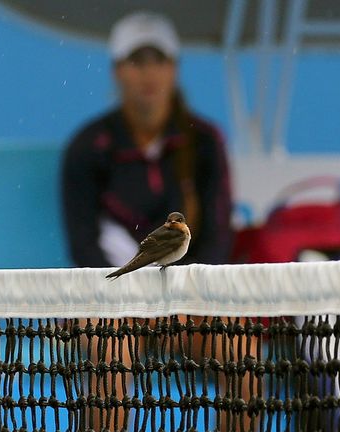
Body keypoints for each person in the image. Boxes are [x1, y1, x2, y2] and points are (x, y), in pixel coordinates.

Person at [62, 12, 233, 270]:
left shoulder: (205, 141)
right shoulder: (87, 146)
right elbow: (83, 245)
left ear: (174, 68)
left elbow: (216, 239)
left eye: (159, 60)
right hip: (114, 297)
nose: (149, 72)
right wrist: (124, 297)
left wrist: (185, 299)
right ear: (117, 71)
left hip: (188, 299)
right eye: (137, 61)